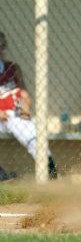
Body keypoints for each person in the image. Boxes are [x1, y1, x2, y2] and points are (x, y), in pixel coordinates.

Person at [0, 31, 58, 179]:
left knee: (35, 138)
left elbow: (24, 92)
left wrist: (26, 107)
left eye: (2, 45)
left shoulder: (12, 67)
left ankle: (52, 175)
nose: (0, 49)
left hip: (14, 113)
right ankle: (2, 175)